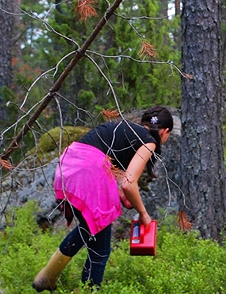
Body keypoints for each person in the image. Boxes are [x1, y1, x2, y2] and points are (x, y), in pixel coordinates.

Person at [33, 106, 174, 291]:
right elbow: (128, 183)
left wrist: (127, 198)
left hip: (67, 169)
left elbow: (124, 184)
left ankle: (46, 277)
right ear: (165, 131)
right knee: (100, 251)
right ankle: (88, 290)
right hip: (89, 174)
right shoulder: (149, 142)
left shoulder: (124, 129)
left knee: (87, 227)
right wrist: (143, 213)